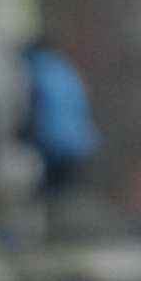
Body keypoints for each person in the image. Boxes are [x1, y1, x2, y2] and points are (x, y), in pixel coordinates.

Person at [15, 37, 98, 227]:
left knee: (44, 192)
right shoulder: (65, 70)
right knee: (62, 192)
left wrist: (22, 135)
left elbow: (34, 110)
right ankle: (63, 227)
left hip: (52, 141)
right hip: (79, 141)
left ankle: (48, 228)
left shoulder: (37, 72)